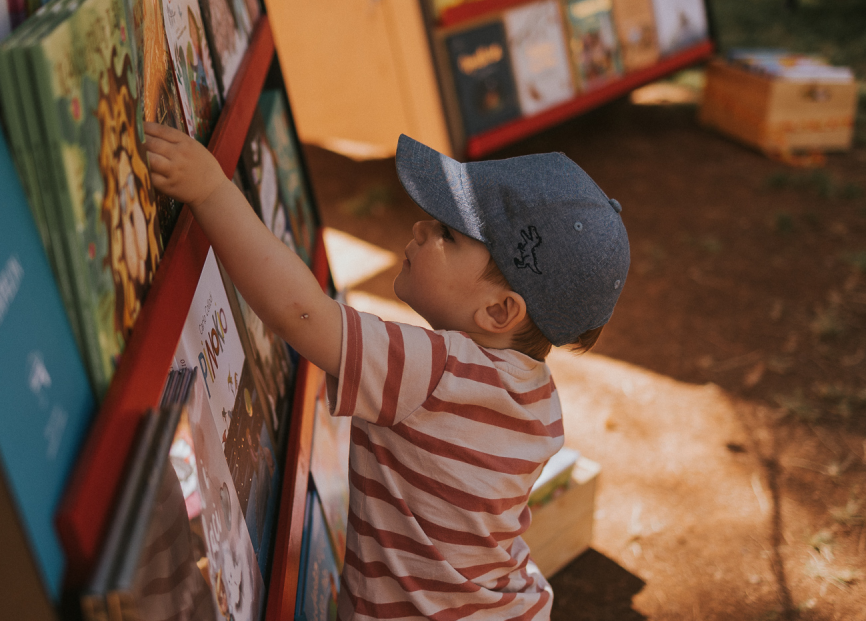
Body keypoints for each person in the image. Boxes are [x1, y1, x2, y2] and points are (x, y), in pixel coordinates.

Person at [143, 126, 630, 621]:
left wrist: (210, 191)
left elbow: (302, 314)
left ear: (500, 312)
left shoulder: (436, 373)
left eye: (447, 234)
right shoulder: (539, 396)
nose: (420, 226)